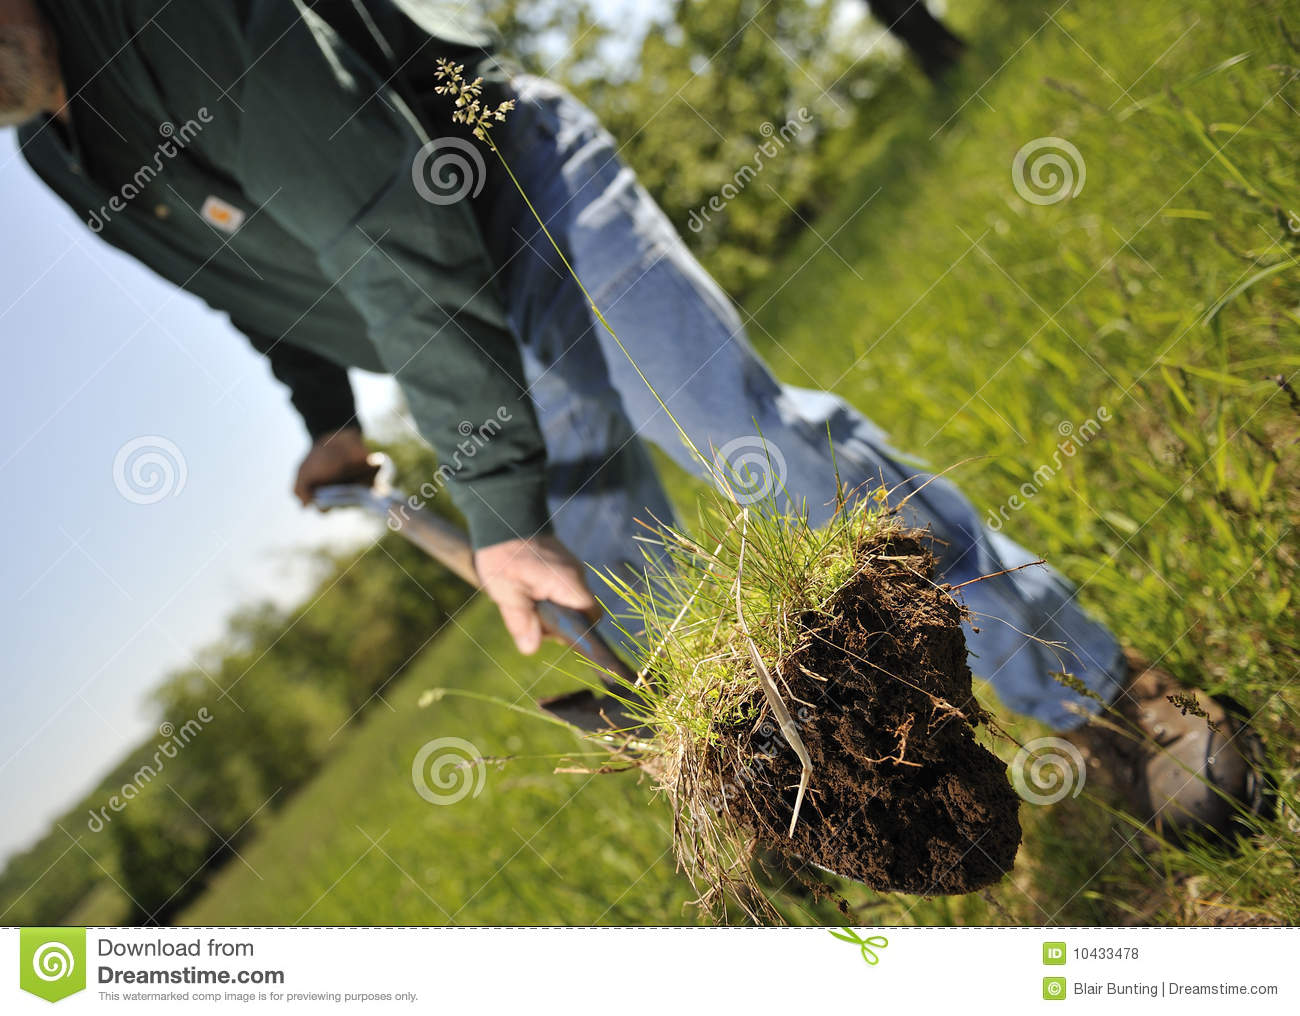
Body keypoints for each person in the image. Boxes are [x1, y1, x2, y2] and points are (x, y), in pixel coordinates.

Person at [4, 0, 1263, 844]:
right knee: (643, 601)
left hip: (518, 196)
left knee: (751, 442)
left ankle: (1105, 701)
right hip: (452, 324)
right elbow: (257, 286)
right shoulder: (52, 154)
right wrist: (327, 419)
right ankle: (898, 786)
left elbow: (390, 219)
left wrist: (497, 504)